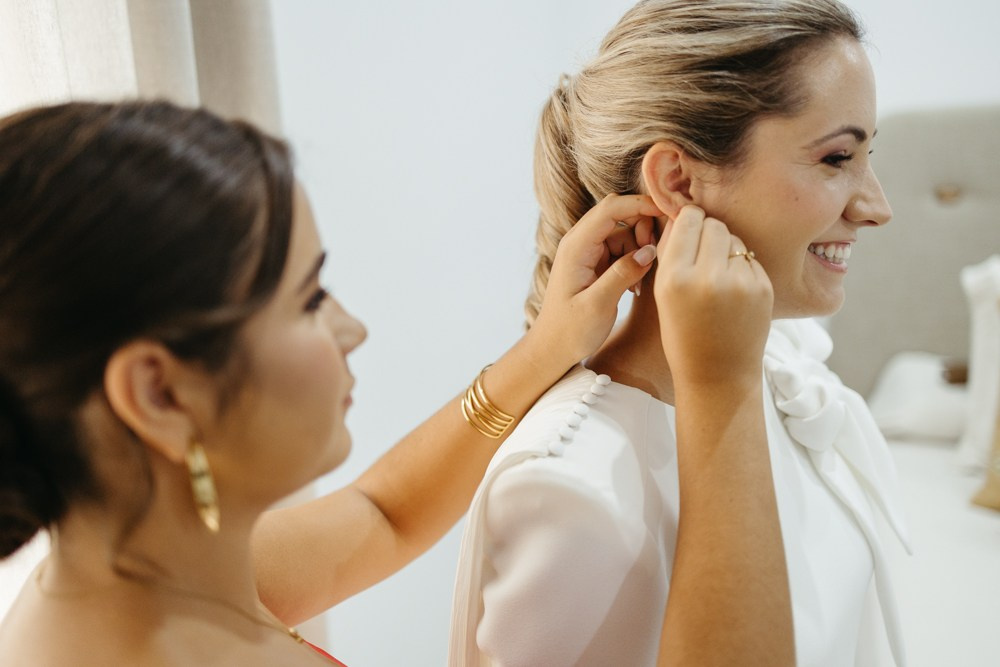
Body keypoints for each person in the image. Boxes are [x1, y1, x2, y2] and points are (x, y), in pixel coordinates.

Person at [0, 100, 665, 666]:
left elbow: (382, 514)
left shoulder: (136, 562)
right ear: (160, 394)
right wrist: (722, 402)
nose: (353, 328)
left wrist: (548, 347)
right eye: (311, 298)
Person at [449, 1, 912, 666]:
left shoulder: (778, 353)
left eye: (868, 153)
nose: (877, 207)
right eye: (837, 156)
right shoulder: (572, 491)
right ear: (677, 181)